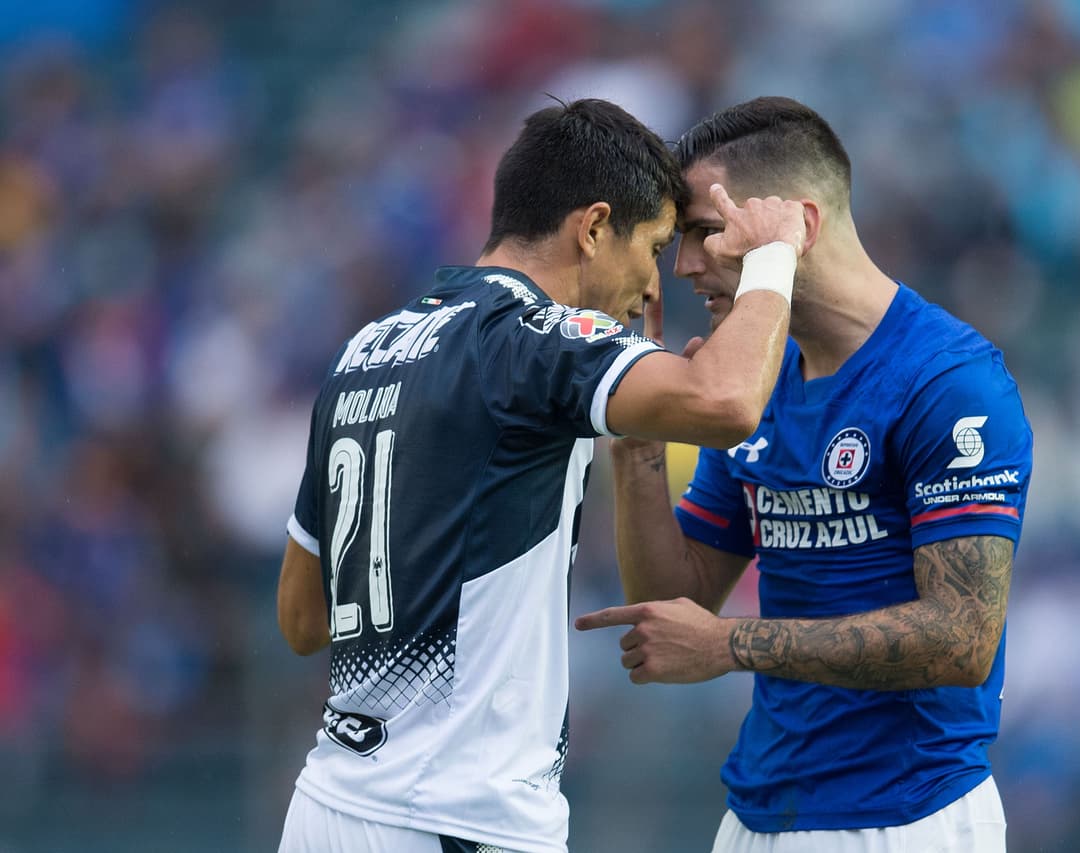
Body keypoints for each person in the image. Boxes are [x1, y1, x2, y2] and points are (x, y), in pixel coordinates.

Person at [274, 97, 809, 853]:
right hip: (458, 817)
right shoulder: (535, 338)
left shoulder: (366, 349)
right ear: (592, 228)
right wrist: (774, 255)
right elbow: (725, 401)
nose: (654, 286)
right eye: (653, 247)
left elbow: (302, 616)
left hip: (327, 805)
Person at [576, 96, 1033, 853]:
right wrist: (641, 447)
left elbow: (963, 637)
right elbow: (676, 602)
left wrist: (732, 644)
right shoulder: (755, 381)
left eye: (703, 232)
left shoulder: (949, 382)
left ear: (798, 229)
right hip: (758, 812)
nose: (683, 265)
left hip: (904, 818)